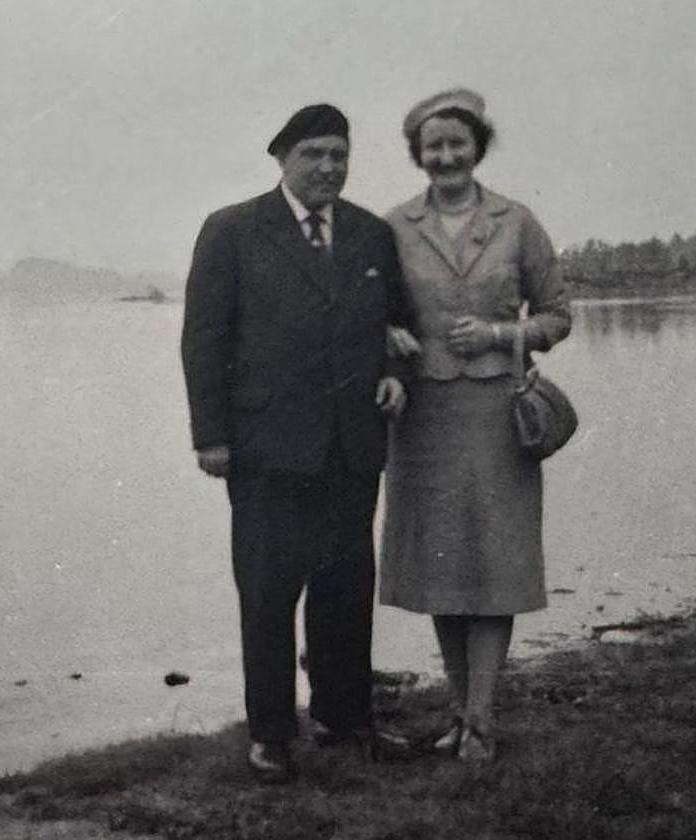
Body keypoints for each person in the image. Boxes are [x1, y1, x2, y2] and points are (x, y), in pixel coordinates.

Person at [180, 103, 409, 783]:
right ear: (281, 157)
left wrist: (396, 374)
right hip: (264, 450)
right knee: (267, 593)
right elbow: (204, 341)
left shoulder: (371, 233)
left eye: (339, 154)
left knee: (345, 587)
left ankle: (346, 721)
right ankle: (272, 734)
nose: (329, 168)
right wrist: (211, 436)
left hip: (351, 447)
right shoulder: (232, 231)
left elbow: (397, 324)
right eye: (314, 154)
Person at [379, 89, 572, 762]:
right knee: (440, 567)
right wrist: (388, 332)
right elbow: (370, 309)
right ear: (418, 155)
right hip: (423, 417)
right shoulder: (393, 226)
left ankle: (482, 721)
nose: (445, 155)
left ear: (478, 146)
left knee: (495, 564)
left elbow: (557, 314)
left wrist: (497, 331)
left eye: (457, 143)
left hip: (497, 417)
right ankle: (458, 713)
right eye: (433, 145)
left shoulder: (516, 222)